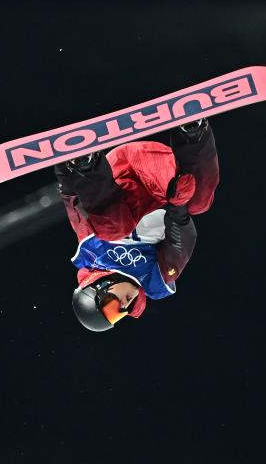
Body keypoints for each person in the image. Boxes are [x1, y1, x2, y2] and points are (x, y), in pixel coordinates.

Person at [56, 119, 219, 331]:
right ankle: (194, 132)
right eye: (119, 316)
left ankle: (84, 165)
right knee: (199, 202)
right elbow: (181, 243)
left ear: (98, 288)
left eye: (112, 308)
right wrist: (178, 204)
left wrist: (67, 168)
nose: (124, 306)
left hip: (118, 174)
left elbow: (74, 202)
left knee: (113, 230)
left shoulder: (91, 253)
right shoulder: (155, 280)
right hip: (158, 180)